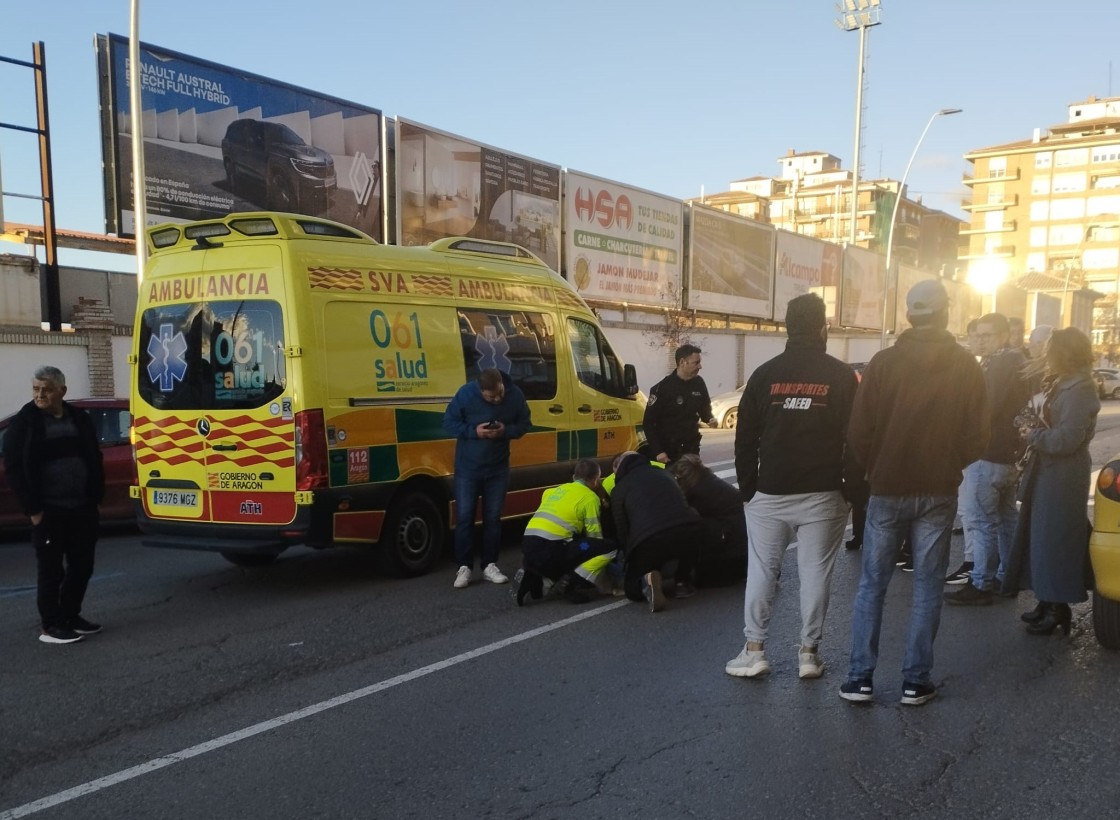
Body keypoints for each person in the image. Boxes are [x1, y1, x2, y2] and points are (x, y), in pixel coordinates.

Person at [841, 280, 989, 706]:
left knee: (872, 584)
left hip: (887, 487)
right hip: (938, 489)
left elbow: (859, 430)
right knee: (927, 586)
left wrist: (876, 466)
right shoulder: (965, 365)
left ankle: (859, 678)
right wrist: (949, 461)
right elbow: (978, 433)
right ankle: (915, 681)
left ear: (909, 315)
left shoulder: (883, 363)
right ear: (945, 314)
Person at [726, 293, 865, 680]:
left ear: (787, 327)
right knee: (816, 573)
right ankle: (808, 653)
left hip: (769, 492)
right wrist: (851, 491)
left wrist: (748, 489)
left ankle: (754, 650)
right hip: (823, 492)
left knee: (763, 571)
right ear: (823, 328)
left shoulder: (765, 374)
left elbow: (745, 438)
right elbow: (854, 440)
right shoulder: (840, 376)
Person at [1004, 328, 1100, 634]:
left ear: (1063, 353)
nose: (1045, 356)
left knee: (1056, 538)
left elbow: (1067, 439)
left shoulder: (1081, 388)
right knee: (1042, 537)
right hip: (1049, 471)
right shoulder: (1064, 382)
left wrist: (1033, 434)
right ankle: (1047, 600)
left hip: (1063, 474)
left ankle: (1058, 606)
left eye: (1050, 351)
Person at [3, 366, 105, 645]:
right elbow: (14, 468)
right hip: (48, 510)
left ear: (62, 391)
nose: (40, 394)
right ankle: (51, 625)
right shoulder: (25, 422)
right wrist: (33, 509)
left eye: (46, 389)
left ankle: (71, 615)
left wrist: (96, 495)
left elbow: (93, 456)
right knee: (51, 570)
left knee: (82, 565)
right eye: (36, 389)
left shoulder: (78, 418)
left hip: (82, 507)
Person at [945, 313, 1030, 606]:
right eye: (976, 334)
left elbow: (985, 407)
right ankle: (1006, 577)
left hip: (988, 454)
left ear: (1004, 336)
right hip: (1008, 456)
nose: (979, 340)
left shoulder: (1001, 364)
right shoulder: (1015, 361)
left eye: (987, 335)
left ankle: (981, 583)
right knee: (1006, 519)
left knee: (981, 521)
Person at [443, 367, 531, 589]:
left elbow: (525, 424)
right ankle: (464, 567)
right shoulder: (465, 394)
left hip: (498, 468)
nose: (498, 399)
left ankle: (489, 564)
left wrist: (505, 430)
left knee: (493, 518)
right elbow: (449, 423)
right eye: (491, 397)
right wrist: (475, 432)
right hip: (467, 469)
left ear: (502, 384)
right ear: (480, 390)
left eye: (500, 393)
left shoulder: (515, 395)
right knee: (464, 517)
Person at [512, 458, 615, 605]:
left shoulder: (552, 491)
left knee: (570, 544)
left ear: (574, 477)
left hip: (528, 545)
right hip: (553, 548)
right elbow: (595, 536)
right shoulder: (590, 498)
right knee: (604, 547)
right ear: (595, 480)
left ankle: (538, 581)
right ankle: (571, 581)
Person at [611, 451, 704, 612]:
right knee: (686, 543)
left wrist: (629, 558)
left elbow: (621, 528)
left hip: (649, 539)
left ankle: (645, 582)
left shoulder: (620, 488)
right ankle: (682, 582)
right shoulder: (664, 474)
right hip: (686, 528)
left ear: (620, 467)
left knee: (632, 589)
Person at [667, 453, 747, 583]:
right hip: (743, 540)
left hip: (731, 542)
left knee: (689, 529)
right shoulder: (709, 480)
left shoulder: (696, 492)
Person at [642, 344, 718, 464]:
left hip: (691, 450)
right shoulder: (662, 388)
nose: (700, 366)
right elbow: (648, 423)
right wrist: (658, 452)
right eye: (696, 363)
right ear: (682, 362)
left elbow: (704, 408)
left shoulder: (699, 383)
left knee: (693, 482)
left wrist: (710, 418)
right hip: (668, 453)